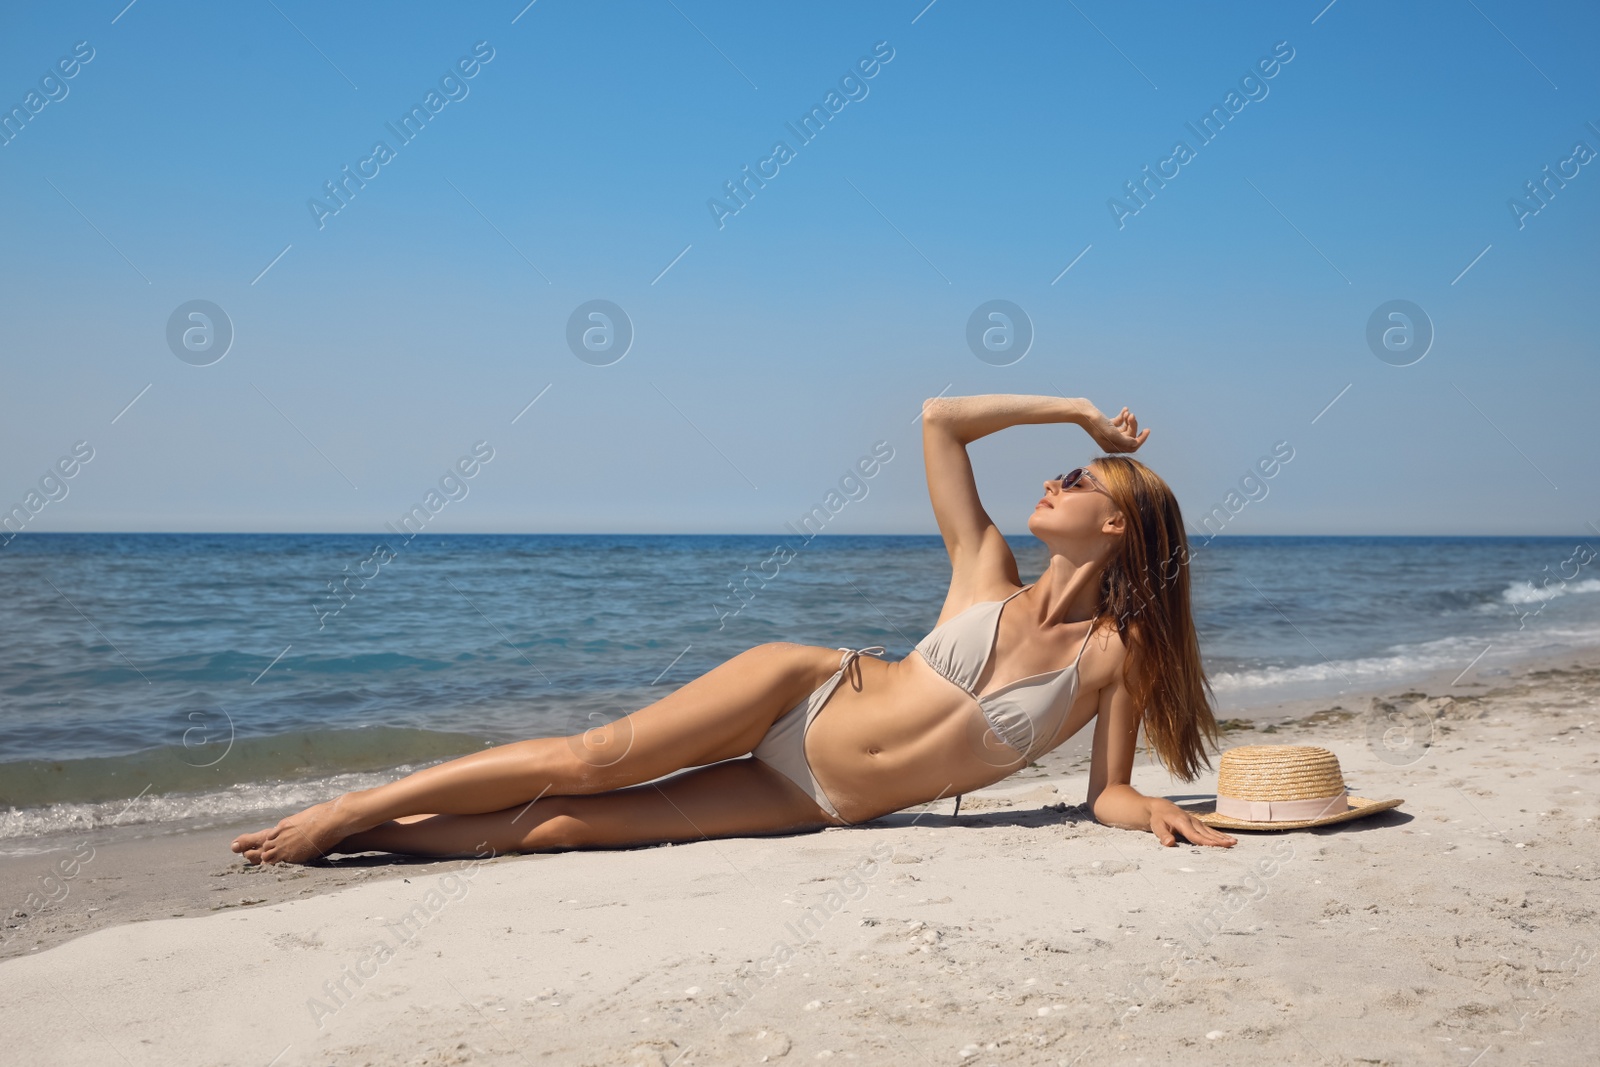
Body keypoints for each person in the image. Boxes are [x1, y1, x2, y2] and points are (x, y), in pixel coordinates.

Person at [231, 394, 1236, 865]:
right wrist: (1072, 413)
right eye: (1061, 467)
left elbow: (1106, 790)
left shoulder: (1118, 656)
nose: (1056, 477)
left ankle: (370, 836)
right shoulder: (985, 568)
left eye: (1080, 479)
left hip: (816, 798)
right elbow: (939, 418)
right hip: (800, 687)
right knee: (588, 760)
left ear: (1118, 526)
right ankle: (350, 807)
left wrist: (1150, 813)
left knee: (566, 827)